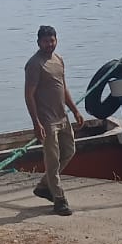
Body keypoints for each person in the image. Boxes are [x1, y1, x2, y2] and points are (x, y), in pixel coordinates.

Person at [24, 24, 84, 215]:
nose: (49, 44)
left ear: (56, 40)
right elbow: (29, 95)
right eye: (45, 41)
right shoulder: (34, 64)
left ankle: (44, 186)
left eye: (52, 40)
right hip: (47, 121)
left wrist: (75, 111)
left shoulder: (58, 60)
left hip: (62, 116)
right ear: (38, 42)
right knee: (52, 161)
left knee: (69, 151)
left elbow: (63, 88)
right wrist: (36, 122)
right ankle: (59, 200)